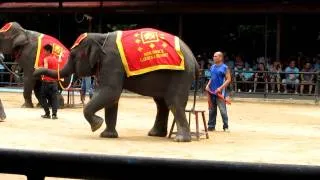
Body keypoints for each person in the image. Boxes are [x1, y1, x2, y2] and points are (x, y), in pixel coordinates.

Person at [205, 51, 231, 132]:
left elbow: (228, 79)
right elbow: (211, 78)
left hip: (220, 92)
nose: (214, 57)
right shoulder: (212, 67)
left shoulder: (225, 67)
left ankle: (225, 126)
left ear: (220, 57)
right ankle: (211, 126)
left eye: (215, 56)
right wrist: (207, 85)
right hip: (212, 91)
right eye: (214, 56)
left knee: (223, 110)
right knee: (211, 110)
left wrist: (220, 88)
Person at [39, 44, 59, 119]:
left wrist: (41, 73)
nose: (44, 52)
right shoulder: (56, 59)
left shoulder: (46, 59)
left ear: (48, 51)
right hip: (54, 82)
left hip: (46, 82)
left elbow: (45, 70)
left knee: (42, 97)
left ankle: (47, 113)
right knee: (54, 98)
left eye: (44, 51)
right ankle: (54, 114)